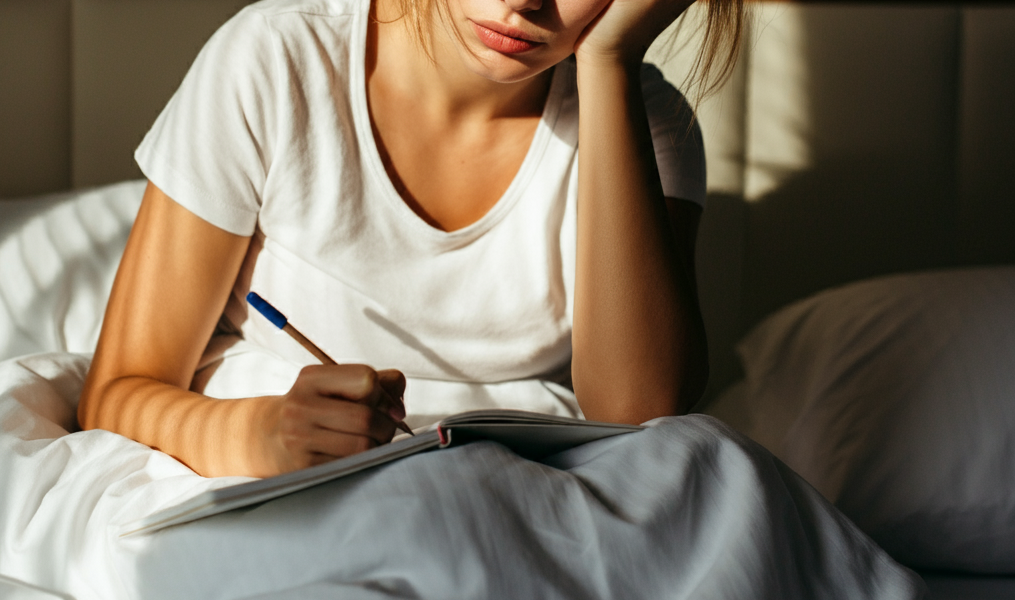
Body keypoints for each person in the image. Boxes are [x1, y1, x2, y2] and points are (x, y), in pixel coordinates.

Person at [78, 0, 743, 479]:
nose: (523, 4)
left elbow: (639, 416)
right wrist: (260, 435)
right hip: (282, 482)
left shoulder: (642, 122)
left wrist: (608, 61)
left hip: (507, 495)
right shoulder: (276, 58)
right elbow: (115, 396)